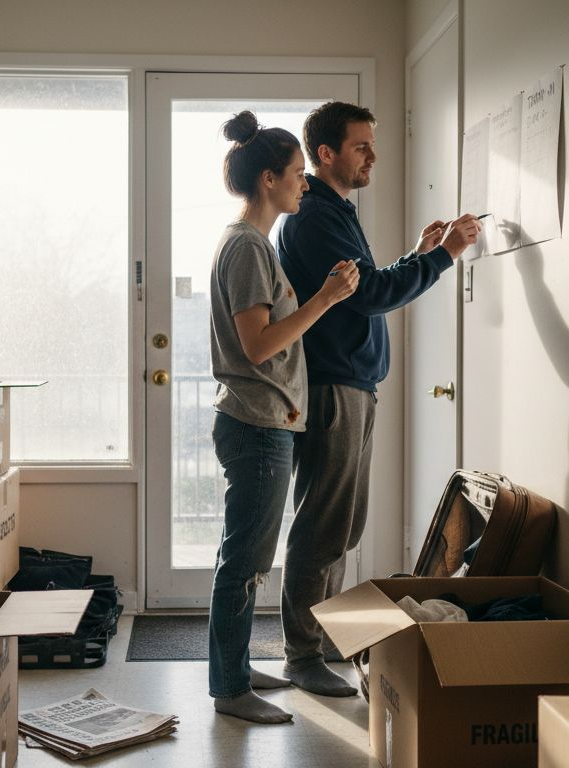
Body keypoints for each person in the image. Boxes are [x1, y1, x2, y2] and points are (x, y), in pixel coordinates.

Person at [276, 101, 482, 697]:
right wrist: (442, 256)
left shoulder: (335, 210)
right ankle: (301, 655)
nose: (374, 155)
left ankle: (317, 642)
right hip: (333, 387)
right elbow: (368, 296)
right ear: (326, 154)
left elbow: (365, 284)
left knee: (342, 525)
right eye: (361, 145)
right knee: (323, 526)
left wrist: (419, 255)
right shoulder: (315, 216)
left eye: (372, 143)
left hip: (352, 385)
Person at [206, 110, 360, 724]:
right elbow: (258, 345)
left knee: (247, 560)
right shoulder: (247, 246)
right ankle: (229, 690)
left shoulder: (252, 243)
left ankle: (237, 671)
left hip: (265, 422)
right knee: (244, 564)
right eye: (298, 172)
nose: (305, 182)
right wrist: (326, 298)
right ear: (268, 179)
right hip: (256, 426)